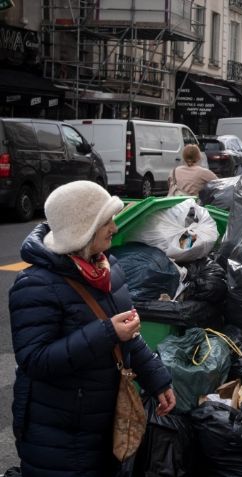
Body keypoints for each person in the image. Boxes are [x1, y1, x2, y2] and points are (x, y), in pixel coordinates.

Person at [10, 181, 177, 475]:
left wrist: (157, 379)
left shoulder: (105, 267)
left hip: (105, 422)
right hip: (59, 436)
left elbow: (127, 333)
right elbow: (35, 360)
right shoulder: (35, 286)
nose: (114, 228)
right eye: (106, 222)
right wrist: (107, 333)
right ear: (83, 229)